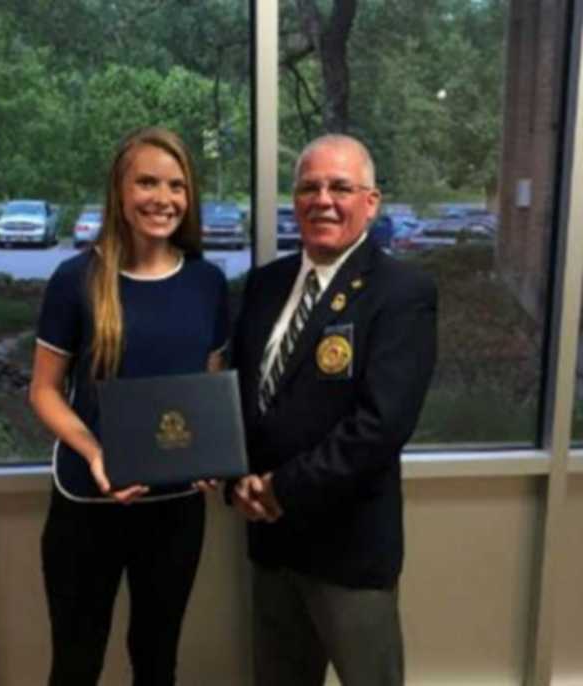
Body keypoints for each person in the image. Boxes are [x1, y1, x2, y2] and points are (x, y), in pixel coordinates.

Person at [231, 134, 437, 686]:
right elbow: (241, 400)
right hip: (270, 544)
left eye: (340, 187)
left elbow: (380, 425)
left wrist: (281, 488)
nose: (323, 200)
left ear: (371, 202)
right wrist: (237, 480)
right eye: (309, 187)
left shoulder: (401, 292)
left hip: (348, 549)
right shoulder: (264, 285)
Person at [29, 126, 228, 686]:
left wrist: (210, 451)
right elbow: (43, 391)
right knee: (76, 661)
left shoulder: (207, 283)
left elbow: (203, 392)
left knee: (157, 659)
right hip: (87, 502)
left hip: (174, 509)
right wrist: (94, 452)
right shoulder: (75, 281)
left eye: (177, 185)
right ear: (119, 190)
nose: (162, 198)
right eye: (147, 182)